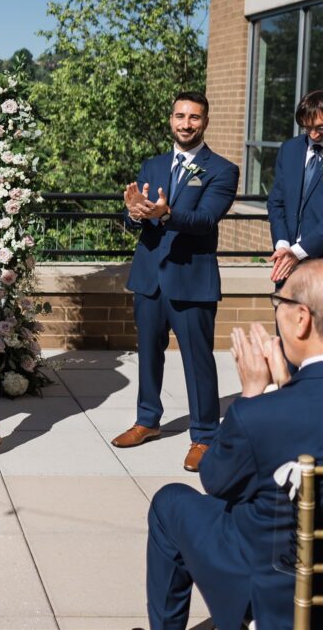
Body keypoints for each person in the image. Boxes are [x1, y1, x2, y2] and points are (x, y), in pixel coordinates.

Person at [146, 259, 323, 630]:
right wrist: (285, 385)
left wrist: (253, 394)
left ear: (302, 318)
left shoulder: (260, 415)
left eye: (281, 304)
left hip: (278, 592)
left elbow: (216, 481)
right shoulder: (282, 407)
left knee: (171, 502)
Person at [112, 92, 239, 472]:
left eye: (194, 118)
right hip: (150, 278)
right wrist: (134, 214)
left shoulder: (222, 169)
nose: (186, 124)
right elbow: (135, 214)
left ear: (205, 122)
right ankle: (147, 421)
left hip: (191, 279)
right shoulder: (153, 164)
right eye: (180, 116)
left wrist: (167, 214)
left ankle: (203, 435)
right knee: (148, 355)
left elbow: (205, 221)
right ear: (171, 119)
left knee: (198, 361)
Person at [268, 89, 323, 284]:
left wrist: (298, 252)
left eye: (320, 128)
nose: (314, 135)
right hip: (287, 264)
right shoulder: (289, 149)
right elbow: (276, 203)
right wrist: (282, 244)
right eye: (307, 128)